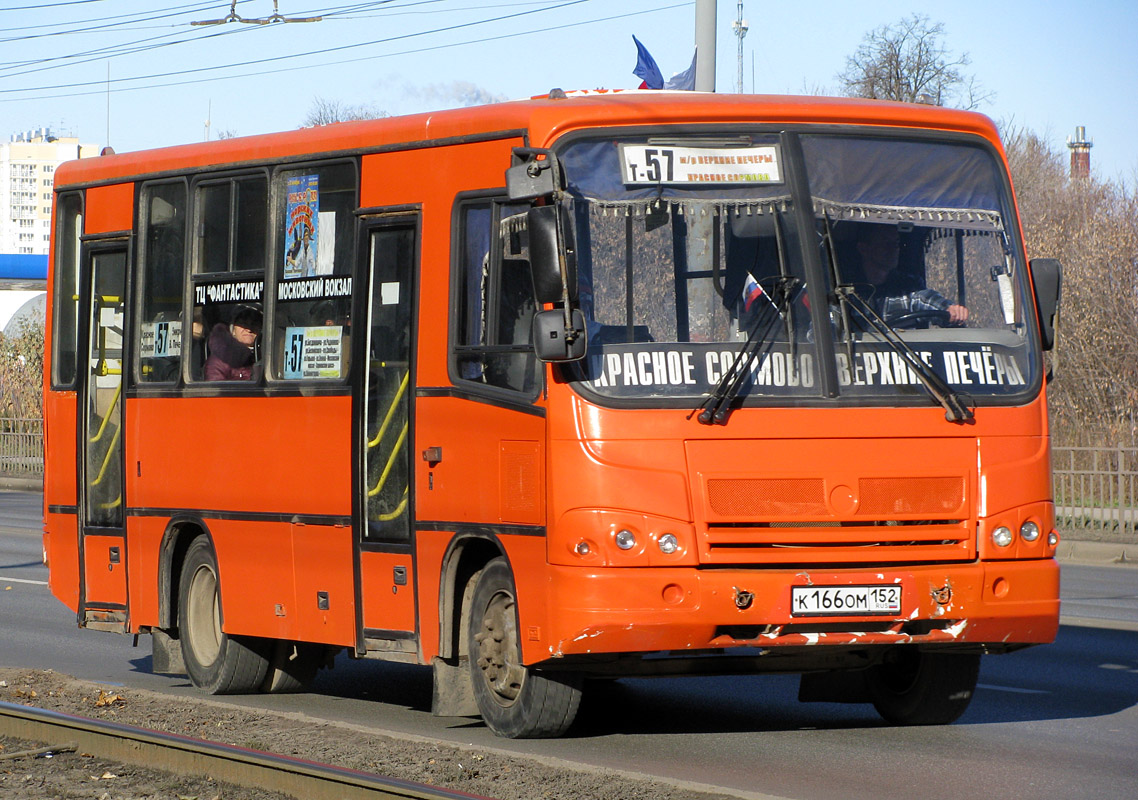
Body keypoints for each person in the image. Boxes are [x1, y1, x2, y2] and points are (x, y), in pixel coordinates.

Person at [855, 224, 968, 325]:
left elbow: (925, 298)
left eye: (896, 243)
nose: (894, 249)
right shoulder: (847, 292)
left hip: (902, 349)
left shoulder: (906, 288)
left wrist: (949, 310)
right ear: (863, 248)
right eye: (885, 243)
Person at [204, 304, 261, 381]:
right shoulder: (220, 360)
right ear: (233, 330)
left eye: (254, 324)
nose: (249, 329)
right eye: (243, 324)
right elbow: (215, 390)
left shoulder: (267, 356)